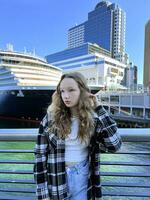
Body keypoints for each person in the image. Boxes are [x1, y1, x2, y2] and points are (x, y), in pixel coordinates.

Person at [34, 72, 122, 200]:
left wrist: (99, 108)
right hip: (56, 178)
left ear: (82, 91)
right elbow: (39, 156)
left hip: (83, 177)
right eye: (62, 91)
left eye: (71, 90)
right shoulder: (50, 119)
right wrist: (43, 195)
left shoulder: (94, 119)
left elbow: (115, 145)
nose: (66, 96)